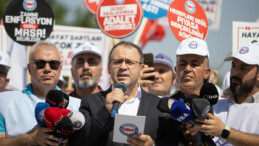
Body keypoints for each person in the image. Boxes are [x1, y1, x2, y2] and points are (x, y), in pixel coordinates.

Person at [69, 41, 184, 146]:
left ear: (141, 69)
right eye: (118, 62)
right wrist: (104, 112)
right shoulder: (90, 102)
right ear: (109, 67)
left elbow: (176, 143)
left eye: (130, 62)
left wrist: (153, 144)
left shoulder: (159, 106)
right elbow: (78, 141)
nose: (123, 67)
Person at [0, 41, 80, 145]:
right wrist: (30, 138)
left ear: (60, 69)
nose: (47, 69)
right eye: (40, 63)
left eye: (53, 64)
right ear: (29, 69)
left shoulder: (79, 105)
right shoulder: (3, 101)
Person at [188, 42, 259, 146]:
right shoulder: (214, 106)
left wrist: (224, 132)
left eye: (243, 68)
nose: (235, 72)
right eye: (233, 66)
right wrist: (192, 131)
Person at [173, 37, 213, 145]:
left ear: (207, 73)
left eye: (194, 64)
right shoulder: (165, 106)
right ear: (176, 71)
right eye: (182, 63)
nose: (187, 69)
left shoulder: (221, 109)